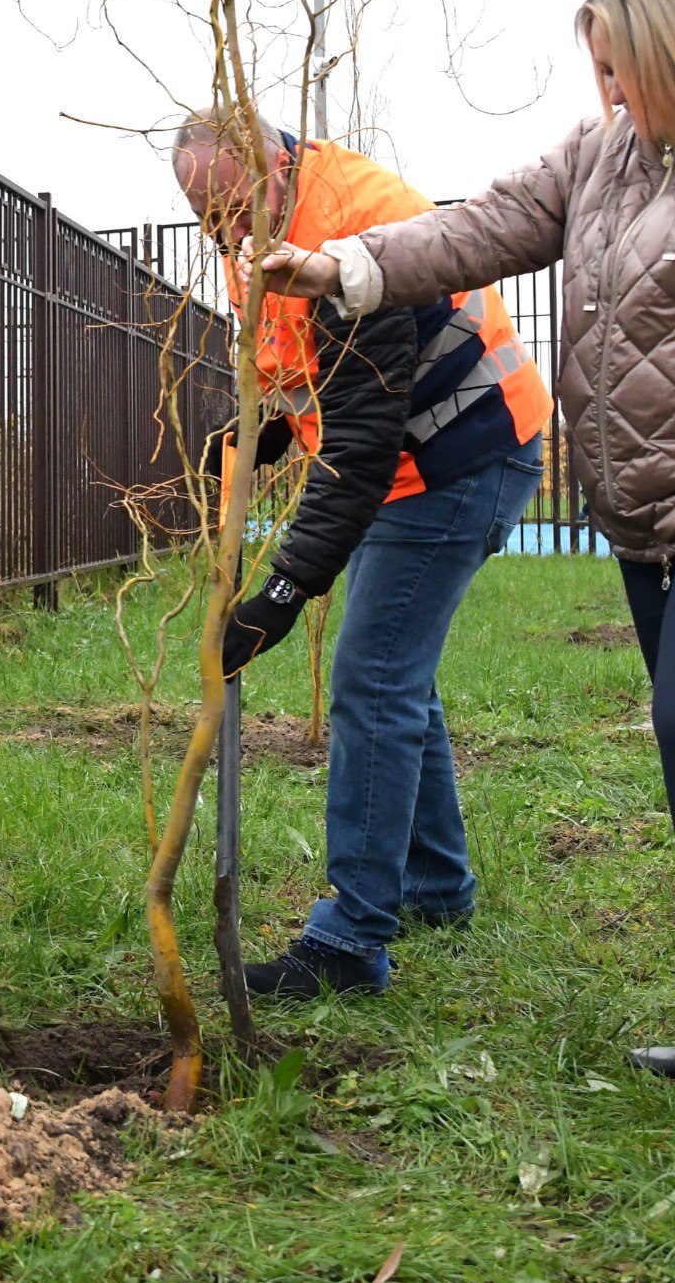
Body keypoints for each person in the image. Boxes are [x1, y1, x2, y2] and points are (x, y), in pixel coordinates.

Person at [256, 0, 675, 1139]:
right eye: (598, 74)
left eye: (621, 71)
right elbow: (483, 228)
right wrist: (345, 265)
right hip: (650, 518)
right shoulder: (609, 158)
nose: (608, 95)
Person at [175, 111, 552, 998]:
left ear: (276, 166)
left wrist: (283, 586)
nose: (224, 233)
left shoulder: (346, 232)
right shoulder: (265, 228)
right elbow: (304, 370)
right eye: (206, 220)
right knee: (396, 676)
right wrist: (257, 431)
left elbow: (360, 447)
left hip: (462, 452)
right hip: (412, 457)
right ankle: (435, 884)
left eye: (231, 208)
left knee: (374, 677)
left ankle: (349, 942)